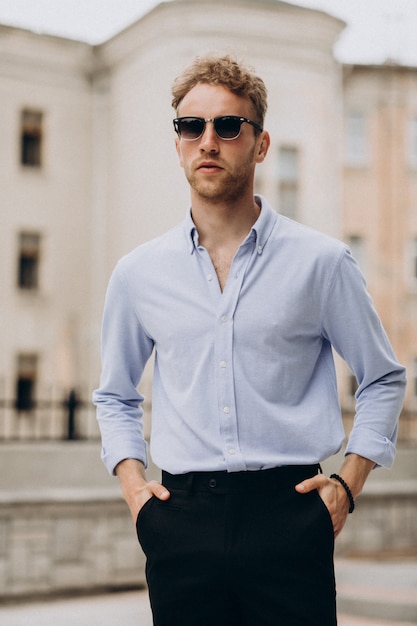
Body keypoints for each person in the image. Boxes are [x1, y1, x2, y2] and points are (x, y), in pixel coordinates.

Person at [93, 54, 406, 626]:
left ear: (260, 145)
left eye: (228, 126)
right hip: (180, 519)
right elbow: (114, 394)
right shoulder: (139, 274)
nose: (207, 140)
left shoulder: (322, 262)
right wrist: (136, 493)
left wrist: (347, 485)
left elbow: (384, 377)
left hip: (290, 516)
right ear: (179, 142)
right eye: (192, 126)